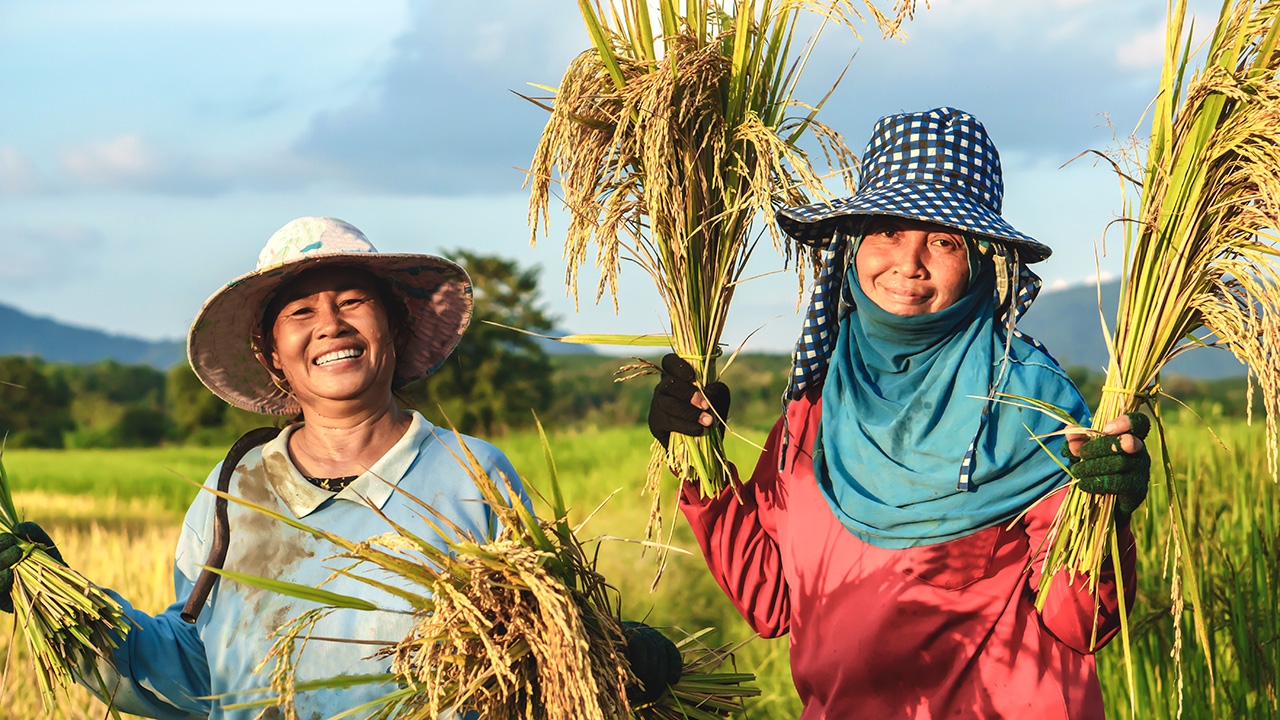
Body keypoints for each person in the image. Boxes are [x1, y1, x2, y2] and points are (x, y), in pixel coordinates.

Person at [648, 107, 1151, 719]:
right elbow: (772, 601)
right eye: (887, 231)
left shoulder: (1030, 406)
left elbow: (1080, 624)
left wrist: (1106, 515)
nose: (909, 262)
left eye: (943, 240)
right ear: (853, 245)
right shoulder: (815, 409)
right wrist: (699, 460)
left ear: (981, 261)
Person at [0, 217, 528, 718]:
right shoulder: (233, 489)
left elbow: (532, 660)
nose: (330, 325)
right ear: (272, 353)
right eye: (300, 312)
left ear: (394, 326)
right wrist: (58, 603)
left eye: (352, 301)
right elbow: (195, 668)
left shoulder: (472, 476)